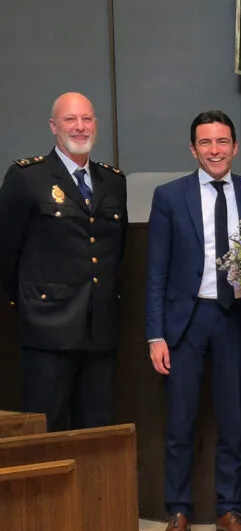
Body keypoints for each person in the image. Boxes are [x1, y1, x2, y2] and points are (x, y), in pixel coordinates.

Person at [145, 110, 241, 531]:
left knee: (233, 420)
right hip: (186, 322)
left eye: (222, 142)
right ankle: (177, 511)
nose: (214, 150)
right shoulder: (169, 196)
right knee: (180, 422)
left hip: (235, 317)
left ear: (234, 147)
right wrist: (155, 334)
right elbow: (155, 271)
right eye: (205, 143)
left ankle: (229, 509)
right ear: (193, 149)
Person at [0, 92, 127, 432]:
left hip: (99, 332)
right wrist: (32, 304)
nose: (80, 127)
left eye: (86, 119)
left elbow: (118, 251)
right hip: (48, 331)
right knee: (48, 433)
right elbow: (6, 253)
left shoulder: (113, 181)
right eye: (71, 120)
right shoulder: (27, 177)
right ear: (54, 126)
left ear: (96, 125)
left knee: (98, 435)